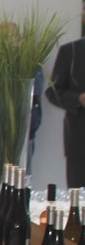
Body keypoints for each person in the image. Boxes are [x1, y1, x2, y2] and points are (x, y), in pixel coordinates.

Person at [45, 33, 85, 187]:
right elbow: (53, 92)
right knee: (78, 196)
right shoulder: (71, 51)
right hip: (80, 144)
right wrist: (78, 99)